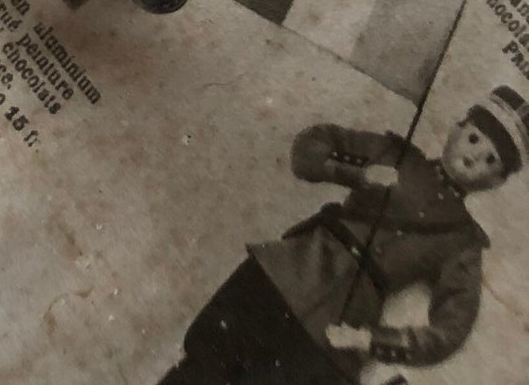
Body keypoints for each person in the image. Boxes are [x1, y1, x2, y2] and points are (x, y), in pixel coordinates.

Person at [159, 84, 529, 381]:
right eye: (475, 138)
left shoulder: (462, 242)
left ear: (496, 182)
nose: (474, 156)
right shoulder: (393, 154)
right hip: (280, 280)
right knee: (198, 372)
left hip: (331, 339)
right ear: (457, 127)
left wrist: (374, 341)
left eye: (491, 160)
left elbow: (452, 329)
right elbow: (310, 146)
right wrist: (353, 176)